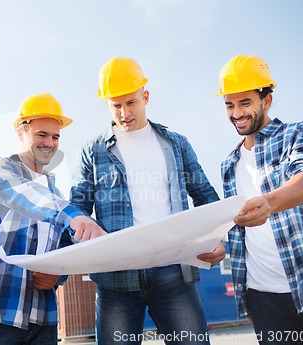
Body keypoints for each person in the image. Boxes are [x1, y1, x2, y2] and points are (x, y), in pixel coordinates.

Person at [70, 56, 225, 345]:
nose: (124, 112)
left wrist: (217, 237)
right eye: (116, 105)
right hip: (116, 279)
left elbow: (204, 194)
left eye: (131, 103)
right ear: (106, 104)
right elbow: (78, 206)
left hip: (175, 274)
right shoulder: (92, 151)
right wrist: (80, 227)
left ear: (146, 96)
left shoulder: (176, 144)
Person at [0, 92, 107, 345]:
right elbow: (26, 196)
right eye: (41, 134)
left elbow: (65, 250)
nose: (50, 143)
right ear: (21, 132)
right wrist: (76, 217)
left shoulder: (56, 194)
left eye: (55, 137)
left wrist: (58, 277)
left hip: (43, 321)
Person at [218, 54, 303, 345]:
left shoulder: (297, 132)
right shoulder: (229, 164)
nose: (236, 112)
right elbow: (237, 229)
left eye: (245, 102)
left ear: (266, 101)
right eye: (229, 104)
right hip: (263, 296)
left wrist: (269, 203)